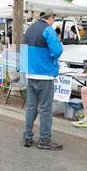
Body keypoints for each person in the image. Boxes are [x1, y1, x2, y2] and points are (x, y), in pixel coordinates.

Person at [21, 12, 63, 150]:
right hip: (44, 74)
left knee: (31, 107)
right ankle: (44, 140)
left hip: (30, 74)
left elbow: (23, 51)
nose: (53, 21)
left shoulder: (30, 28)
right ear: (50, 18)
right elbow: (57, 51)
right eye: (53, 19)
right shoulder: (48, 30)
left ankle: (27, 137)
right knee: (45, 109)